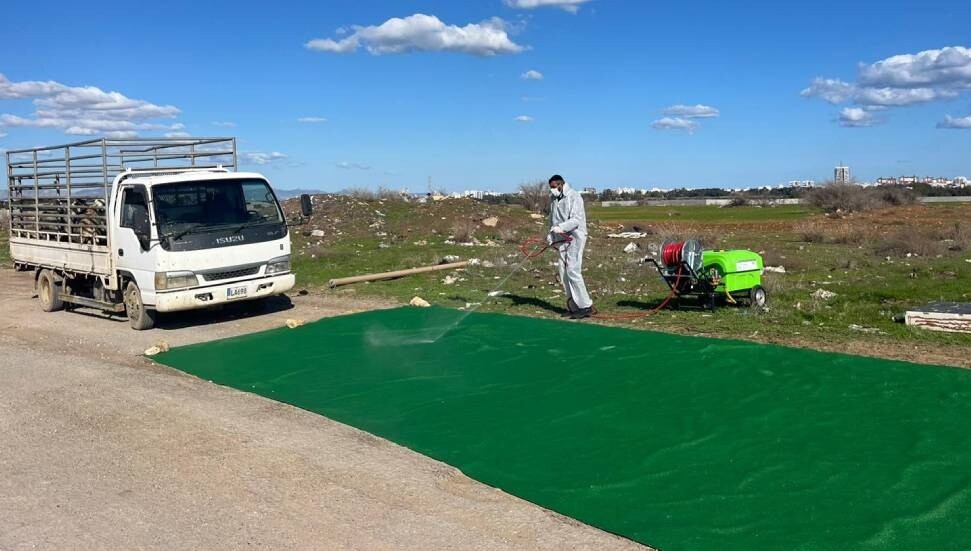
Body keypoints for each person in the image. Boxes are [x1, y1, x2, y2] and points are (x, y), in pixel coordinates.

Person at [547, 174, 595, 319]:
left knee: (573, 270)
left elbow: (576, 219)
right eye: (550, 187)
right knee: (563, 272)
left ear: (561, 184)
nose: (552, 190)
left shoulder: (574, 197)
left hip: (575, 237)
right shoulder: (554, 200)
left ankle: (586, 306)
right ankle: (574, 306)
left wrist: (561, 227)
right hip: (561, 238)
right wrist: (551, 234)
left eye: (554, 187)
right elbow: (552, 219)